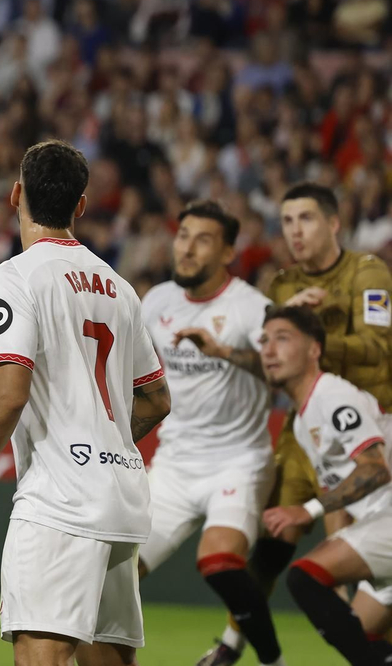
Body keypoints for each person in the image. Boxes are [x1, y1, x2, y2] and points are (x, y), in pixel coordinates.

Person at [0, 141, 172, 666]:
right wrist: (107, 443)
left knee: (41, 656)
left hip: (61, 501)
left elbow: (9, 393)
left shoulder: (14, 277)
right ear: (81, 206)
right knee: (108, 659)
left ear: (16, 195)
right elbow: (155, 398)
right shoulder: (119, 287)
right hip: (122, 495)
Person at [207, 182, 392, 665]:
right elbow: (276, 357)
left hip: (364, 423)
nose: (295, 231)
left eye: (306, 219)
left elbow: (380, 350)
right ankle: (234, 641)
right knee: (273, 541)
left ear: (333, 223)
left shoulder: (368, 272)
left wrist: (318, 326)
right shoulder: (283, 284)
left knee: (338, 554)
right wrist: (227, 351)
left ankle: (365, 635)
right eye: (287, 221)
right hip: (305, 430)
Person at [138, 201, 286, 666]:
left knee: (218, 562)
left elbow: (279, 373)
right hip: (174, 465)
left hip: (238, 461)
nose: (187, 247)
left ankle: (272, 662)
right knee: (109, 574)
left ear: (227, 252)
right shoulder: (157, 301)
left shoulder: (251, 307)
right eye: (183, 235)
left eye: (202, 239)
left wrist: (225, 352)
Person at [255, 305, 392, 665]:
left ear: (315, 349)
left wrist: (308, 510)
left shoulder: (332, 396)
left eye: (282, 339)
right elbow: (341, 488)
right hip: (379, 524)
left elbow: (376, 469)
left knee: (304, 579)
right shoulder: (303, 421)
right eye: (264, 340)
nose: (269, 350)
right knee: (359, 634)